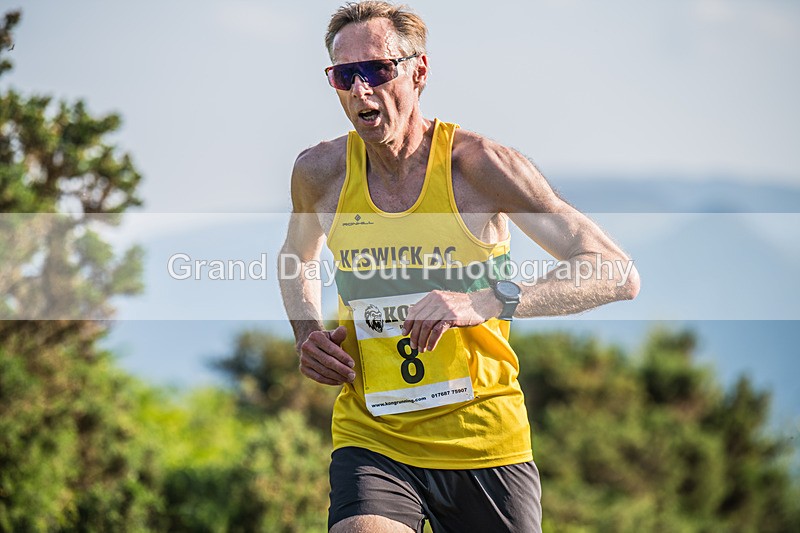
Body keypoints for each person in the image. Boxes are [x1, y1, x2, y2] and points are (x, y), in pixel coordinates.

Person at [278, 2, 640, 531]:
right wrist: (306, 331)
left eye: (377, 69)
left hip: (485, 441)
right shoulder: (320, 174)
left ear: (418, 71)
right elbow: (296, 259)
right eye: (344, 75)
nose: (360, 89)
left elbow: (614, 271)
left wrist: (489, 299)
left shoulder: (480, 167)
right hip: (374, 437)